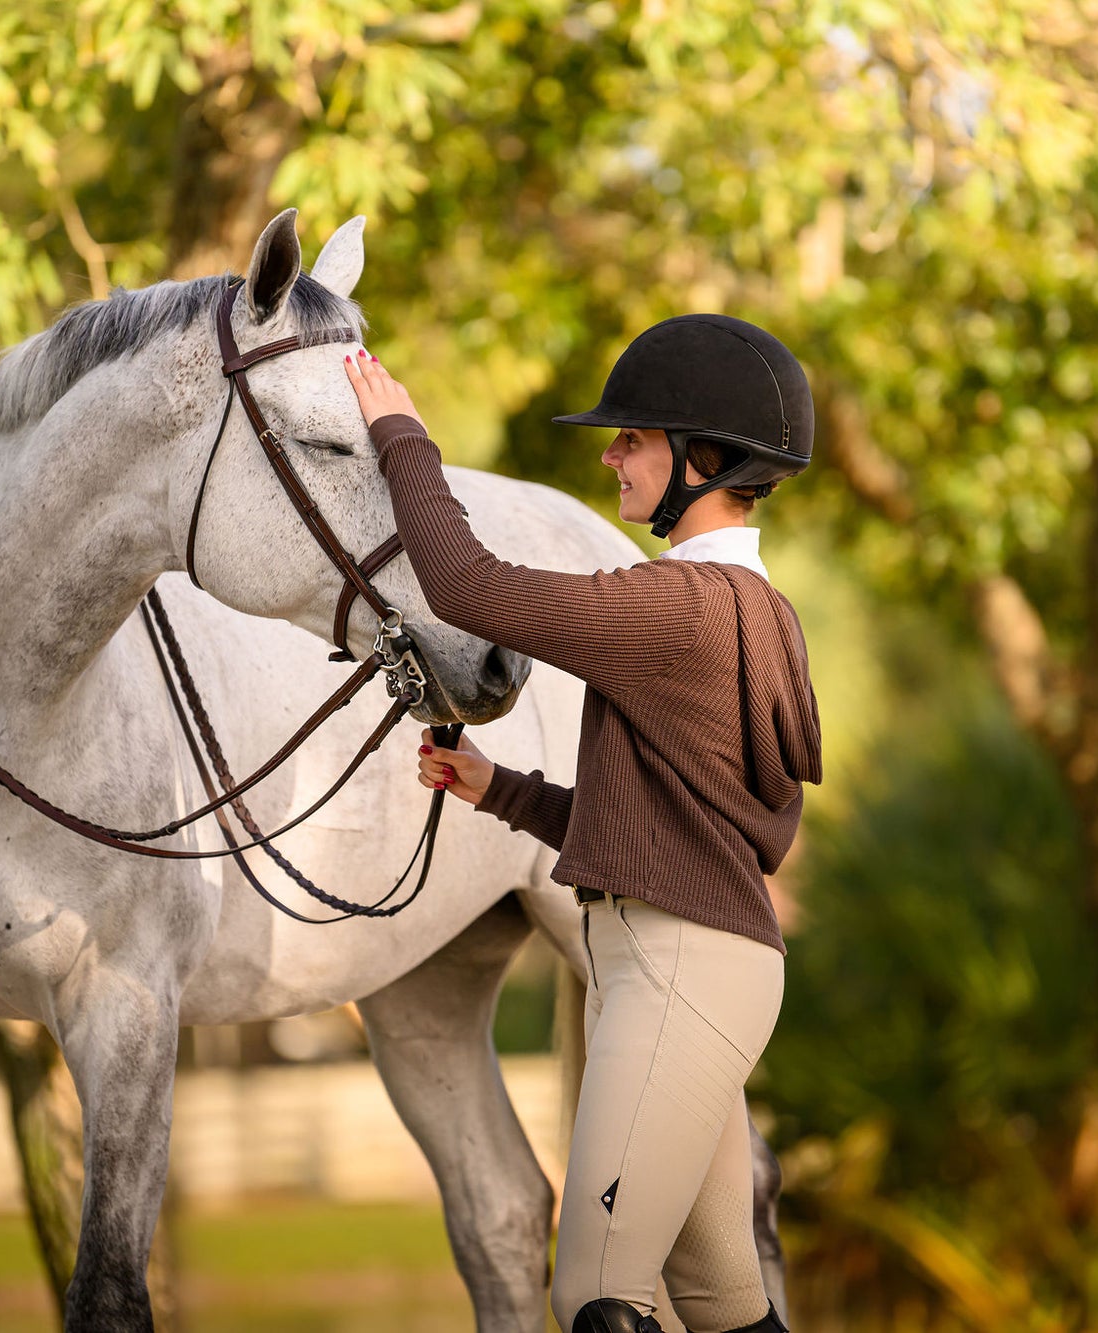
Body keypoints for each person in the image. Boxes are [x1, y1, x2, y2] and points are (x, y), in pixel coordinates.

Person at [343, 314, 823, 1333]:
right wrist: (498, 788)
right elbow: (670, 828)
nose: (610, 455)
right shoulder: (754, 609)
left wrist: (401, 436)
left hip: (676, 977)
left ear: (702, 458)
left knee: (596, 1297)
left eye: (631, 438)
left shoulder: (677, 608)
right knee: (722, 1303)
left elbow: (465, 586)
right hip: (688, 965)